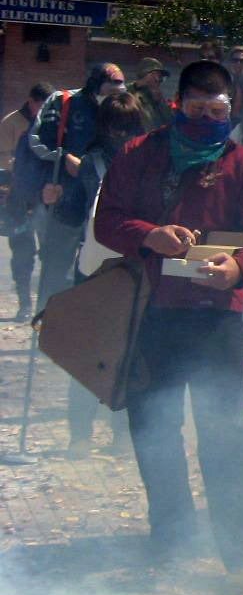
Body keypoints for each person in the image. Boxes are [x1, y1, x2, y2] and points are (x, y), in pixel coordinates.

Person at [93, 60, 243, 569]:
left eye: (216, 109)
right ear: (177, 105)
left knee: (224, 432)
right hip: (149, 315)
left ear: (231, 109)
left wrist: (240, 267)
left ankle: (241, 550)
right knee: (153, 430)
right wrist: (147, 234)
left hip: (216, 318)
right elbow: (107, 220)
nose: (205, 117)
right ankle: (172, 540)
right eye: (195, 108)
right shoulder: (140, 154)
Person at [46, 90, 146, 455]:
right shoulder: (90, 164)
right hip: (93, 267)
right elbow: (72, 214)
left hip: (134, 268)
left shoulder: (151, 165)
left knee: (129, 352)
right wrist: (56, 201)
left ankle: (121, 432)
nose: (120, 135)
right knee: (86, 352)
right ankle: (81, 434)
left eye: (127, 127)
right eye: (114, 127)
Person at [28, 62, 127, 303]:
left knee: (96, 268)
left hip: (104, 198)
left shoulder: (123, 107)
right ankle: (47, 324)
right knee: (56, 269)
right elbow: (37, 141)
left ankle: (82, 329)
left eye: (120, 89)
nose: (116, 94)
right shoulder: (63, 101)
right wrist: (62, 158)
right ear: (95, 84)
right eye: (110, 88)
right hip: (65, 194)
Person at [0, 83, 49, 320]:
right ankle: (24, 304)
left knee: (51, 253)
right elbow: (2, 159)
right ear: (32, 101)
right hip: (18, 198)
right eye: (41, 104)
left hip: (46, 199)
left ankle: (47, 305)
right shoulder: (12, 123)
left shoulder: (54, 125)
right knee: (22, 253)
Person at [129, 58, 172, 129]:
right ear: (150, 75)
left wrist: (160, 103)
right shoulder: (126, 93)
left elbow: (169, 122)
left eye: (162, 78)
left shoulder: (157, 97)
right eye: (159, 76)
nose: (160, 80)